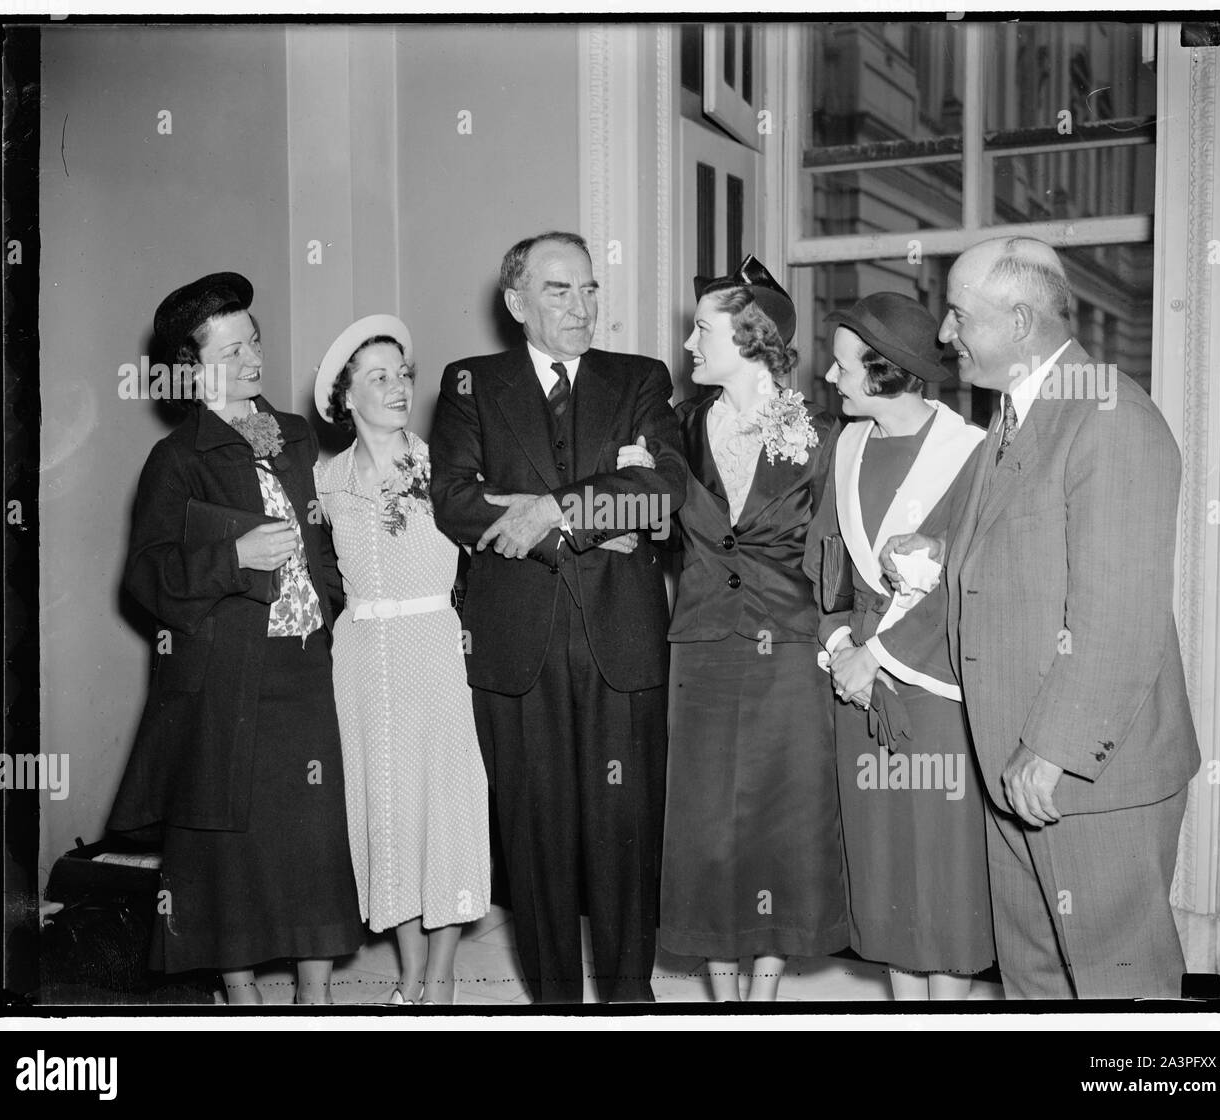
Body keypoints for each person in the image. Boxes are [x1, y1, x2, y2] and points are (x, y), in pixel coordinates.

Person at [883, 237, 1201, 998]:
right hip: (1018, 764)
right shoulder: (1020, 414)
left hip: (1084, 777)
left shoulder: (1110, 417)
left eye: (959, 316)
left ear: (1021, 322)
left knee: (1116, 992)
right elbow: (1029, 538)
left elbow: (1119, 614)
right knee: (1037, 984)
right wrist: (944, 547)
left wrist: (1052, 749)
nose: (944, 334)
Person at [429, 231, 688, 1003]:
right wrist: (593, 512)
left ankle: (627, 1002)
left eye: (589, 290)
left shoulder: (640, 378)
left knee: (622, 837)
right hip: (518, 647)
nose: (581, 308)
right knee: (535, 842)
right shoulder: (472, 382)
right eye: (558, 291)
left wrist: (550, 507)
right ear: (516, 303)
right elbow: (453, 499)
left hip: (623, 640)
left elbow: (664, 490)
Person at [109, 272, 360, 1004]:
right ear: (193, 367)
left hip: (307, 664)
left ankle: (315, 999)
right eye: (234, 347)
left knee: (313, 836)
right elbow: (144, 578)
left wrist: (332, 596)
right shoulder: (177, 459)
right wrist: (233, 558)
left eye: (254, 340)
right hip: (228, 677)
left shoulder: (295, 434)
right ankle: (240, 996)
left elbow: (327, 532)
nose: (254, 356)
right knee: (228, 847)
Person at [621, 256, 847, 1001]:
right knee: (704, 827)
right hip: (704, 647)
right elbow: (651, 529)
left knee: (783, 822)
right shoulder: (677, 429)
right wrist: (632, 491)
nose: (688, 344)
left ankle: (766, 1000)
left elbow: (839, 555)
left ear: (751, 337)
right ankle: (723, 1002)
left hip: (789, 648)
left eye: (702, 330)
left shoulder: (823, 433)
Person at [802, 292, 993, 1000]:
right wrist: (841, 645)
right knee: (883, 876)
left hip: (933, 692)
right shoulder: (845, 445)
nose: (828, 374)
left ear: (887, 371)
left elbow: (969, 586)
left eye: (846, 363)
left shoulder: (969, 456)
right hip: (859, 691)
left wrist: (873, 656)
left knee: (941, 881)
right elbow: (825, 569)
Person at [313, 315, 492, 1006]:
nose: (397, 387)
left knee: (443, 804)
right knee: (386, 810)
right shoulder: (325, 484)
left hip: (434, 650)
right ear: (346, 396)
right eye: (378, 377)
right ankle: (412, 969)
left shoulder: (442, 465)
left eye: (402, 374)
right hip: (359, 661)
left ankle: (441, 974)